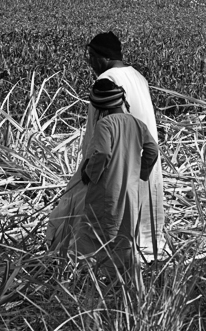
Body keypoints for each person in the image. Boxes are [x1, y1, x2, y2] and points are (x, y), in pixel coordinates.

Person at [47, 31, 168, 261]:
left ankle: (83, 260)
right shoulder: (138, 77)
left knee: (93, 219)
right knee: (135, 219)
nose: (90, 63)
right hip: (139, 165)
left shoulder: (106, 82)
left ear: (101, 57)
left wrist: (88, 170)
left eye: (90, 57)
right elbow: (151, 145)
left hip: (111, 169)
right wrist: (142, 171)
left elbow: (98, 142)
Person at [78, 78, 158, 276]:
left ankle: (95, 278)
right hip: (131, 192)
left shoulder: (105, 125)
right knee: (125, 235)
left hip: (106, 191)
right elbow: (153, 149)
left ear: (100, 106)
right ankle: (124, 279)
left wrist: (90, 172)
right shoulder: (137, 124)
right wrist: (141, 172)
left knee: (95, 235)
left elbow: (103, 153)